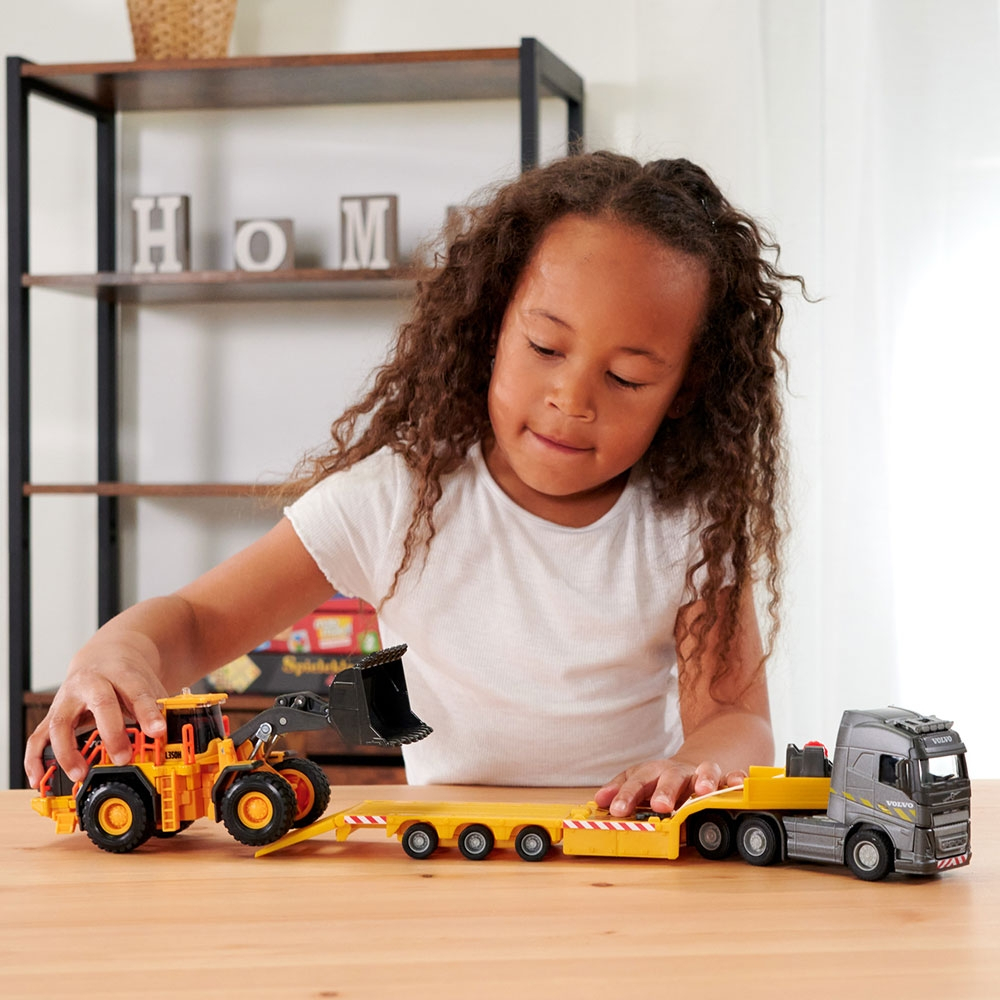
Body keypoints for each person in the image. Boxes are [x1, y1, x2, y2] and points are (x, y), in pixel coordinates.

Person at [25, 151, 802, 818]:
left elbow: (735, 719)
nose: (572, 399)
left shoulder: (688, 524)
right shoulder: (400, 497)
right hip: (451, 853)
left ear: (685, 390)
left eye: (627, 377)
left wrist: (692, 766)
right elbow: (198, 623)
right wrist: (117, 656)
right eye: (544, 347)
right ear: (492, 325)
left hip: (627, 847)